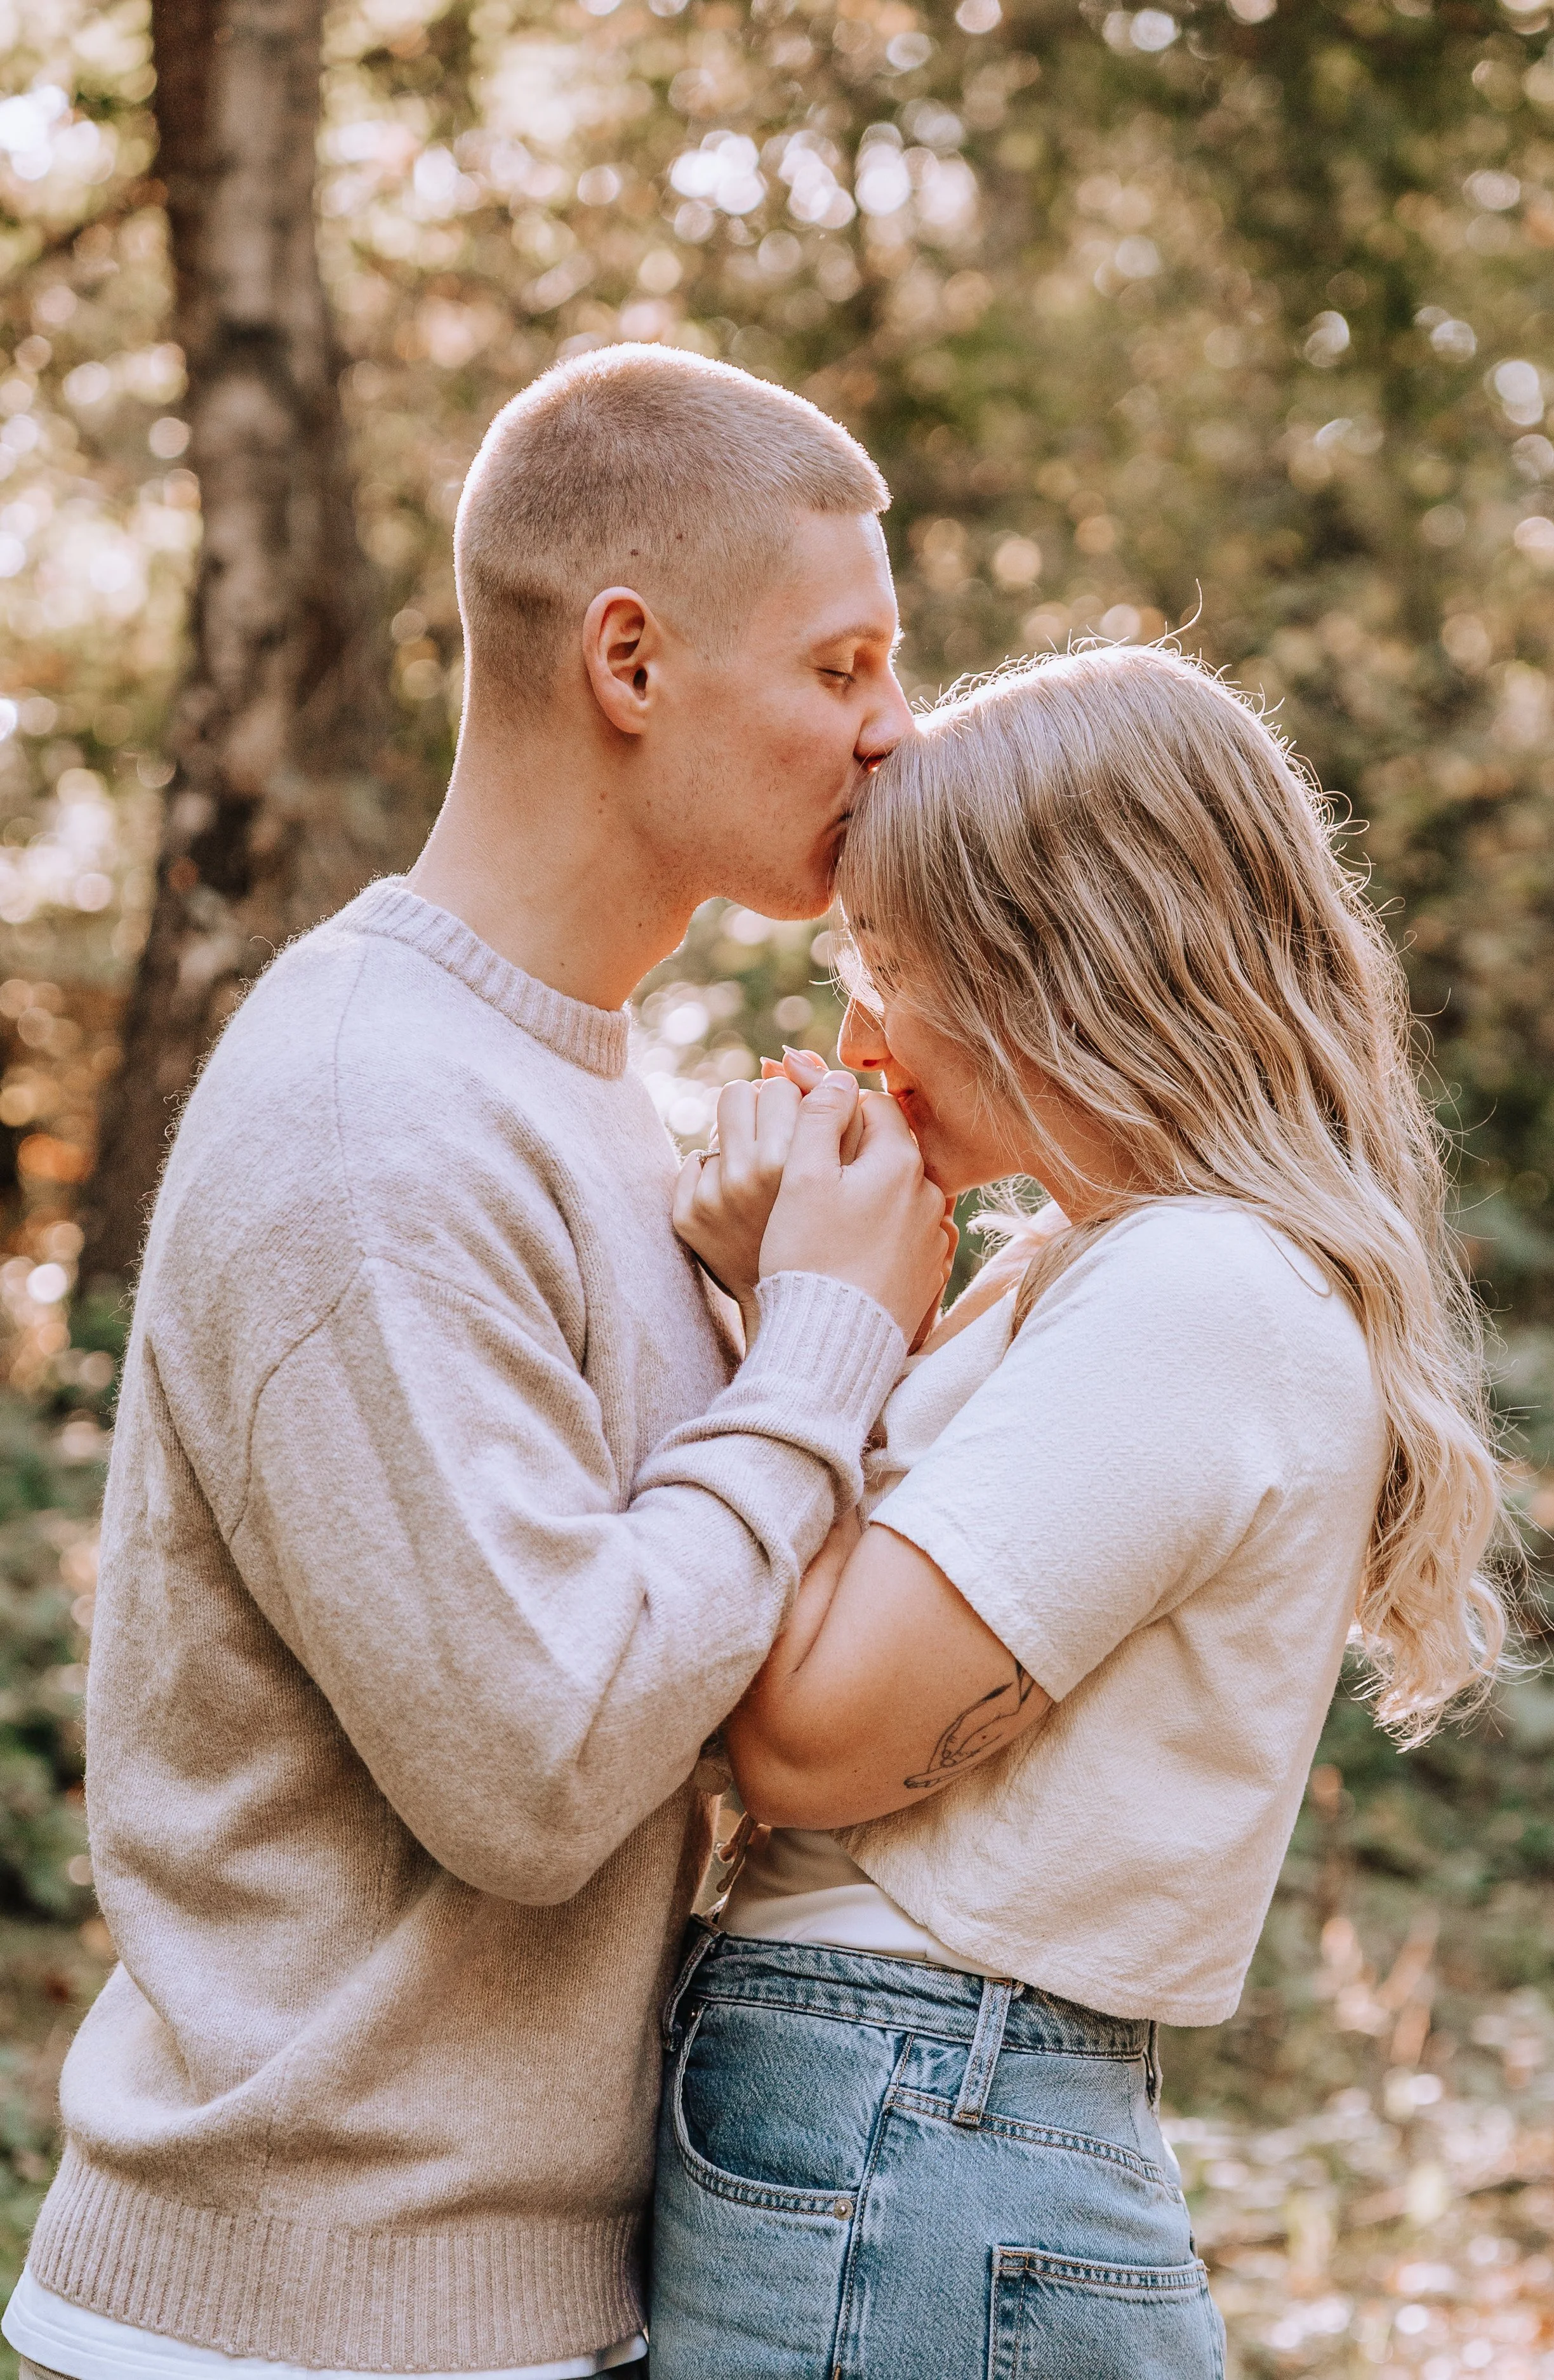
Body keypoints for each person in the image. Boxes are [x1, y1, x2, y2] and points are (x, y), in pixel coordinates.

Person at [2, 347, 955, 2380]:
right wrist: (816, 1347)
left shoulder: (577, 1092)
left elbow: (693, 1661)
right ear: (629, 659)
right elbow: (537, 1764)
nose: (896, 726)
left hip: (500, 2311)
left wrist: (785, 1310)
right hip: (294, 2326)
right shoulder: (375, 1109)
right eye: (843, 665)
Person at [649, 644, 1511, 2380]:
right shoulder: (1084, 1265)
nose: (855, 1036)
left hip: (907, 2101)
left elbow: (808, 1743)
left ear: (1061, 969)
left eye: (891, 967)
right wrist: (803, 1308)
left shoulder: (1195, 1289)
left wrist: (809, 1315)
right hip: (907, 2103)